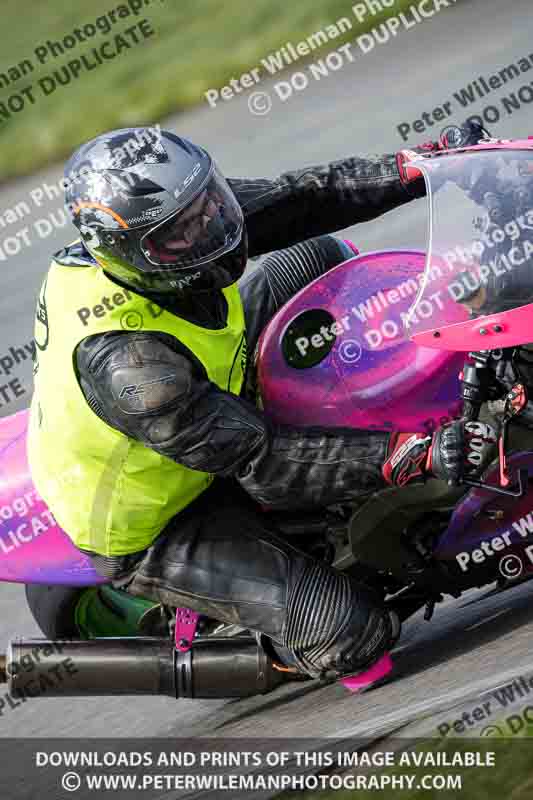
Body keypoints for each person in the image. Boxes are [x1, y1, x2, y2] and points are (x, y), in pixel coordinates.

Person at [27, 121, 495, 680]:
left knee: (317, 253)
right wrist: (407, 455)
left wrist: (423, 167)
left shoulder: (173, 223)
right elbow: (264, 463)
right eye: (182, 233)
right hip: (166, 515)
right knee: (353, 634)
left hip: (207, 385)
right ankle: (235, 646)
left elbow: (302, 198)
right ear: (129, 251)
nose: (211, 233)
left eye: (210, 206)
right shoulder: (130, 367)